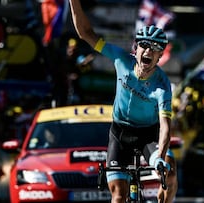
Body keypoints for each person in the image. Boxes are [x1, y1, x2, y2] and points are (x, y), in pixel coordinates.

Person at [68, 1, 177, 203]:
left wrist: (160, 157)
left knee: (169, 174)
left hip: (149, 135)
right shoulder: (120, 59)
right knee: (119, 195)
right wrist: (74, 2)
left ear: (160, 56)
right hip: (120, 134)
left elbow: (165, 127)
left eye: (155, 49)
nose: (148, 52)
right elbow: (86, 33)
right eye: (144, 45)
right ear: (135, 48)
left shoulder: (162, 85)